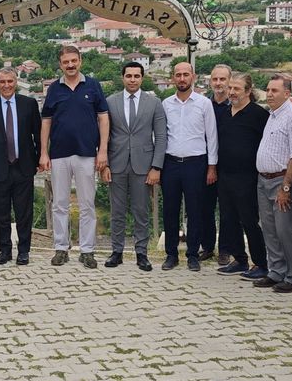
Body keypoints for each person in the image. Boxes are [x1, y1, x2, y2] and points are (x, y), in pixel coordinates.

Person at [40, 45, 110, 268]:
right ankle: (61, 248)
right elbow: (46, 121)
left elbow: (103, 118)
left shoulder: (93, 85)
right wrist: (43, 152)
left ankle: (87, 251)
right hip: (59, 154)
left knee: (87, 204)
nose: (70, 65)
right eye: (65, 62)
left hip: (87, 153)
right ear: (60, 65)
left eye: (73, 61)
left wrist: (103, 150)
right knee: (59, 204)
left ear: (80, 61)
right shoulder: (54, 89)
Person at [104, 61, 165, 271]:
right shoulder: (110, 101)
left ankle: (142, 253)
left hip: (144, 165)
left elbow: (161, 136)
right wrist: (104, 164)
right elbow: (103, 135)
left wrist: (156, 167)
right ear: (123, 78)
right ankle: (116, 252)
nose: (132, 80)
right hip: (116, 163)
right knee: (117, 211)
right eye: (128, 76)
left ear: (142, 78)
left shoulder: (154, 103)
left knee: (141, 211)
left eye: (136, 76)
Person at [160, 61, 218, 272]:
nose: (182, 78)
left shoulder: (204, 103)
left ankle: (193, 254)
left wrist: (212, 166)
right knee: (170, 211)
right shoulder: (166, 104)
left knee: (195, 211)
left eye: (186, 74)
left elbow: (212, 136)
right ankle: (171, 254)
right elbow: (160, 135)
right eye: (178, 75)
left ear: (193, 77)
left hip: (196, 164)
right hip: (171, 164)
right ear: (173, 78)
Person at [0, 68, 40, 266]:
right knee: (1, 213)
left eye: (10, 81)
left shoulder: (29, 104)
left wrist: (40, 158)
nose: (6, 85)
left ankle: (24, 251)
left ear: (16, 82)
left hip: (24, 167)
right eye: (2, 82)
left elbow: (38, 135)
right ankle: (4, 251)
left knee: (24, 213)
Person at [254, 75, 292, 294]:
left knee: (286, 230)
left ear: (287, 93)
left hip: (282, 180)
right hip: (263, 179)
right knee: (269, 228)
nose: (269, 94)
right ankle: (276, 271)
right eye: (267, 90)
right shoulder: (272, 115)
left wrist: (286, 187)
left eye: (274, 91)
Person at [214, 73, 268, 280]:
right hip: (225, 175)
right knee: (229, 219)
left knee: (249, 221)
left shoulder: (258, 114)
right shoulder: (225, 113)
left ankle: (261, 263)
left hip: (248, 177)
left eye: (237, 89)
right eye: (230, 88)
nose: (232, 92)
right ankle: (239, 259)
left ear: (248, 91)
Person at [203, 63, 232, 264]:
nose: (218, 83)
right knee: (205, 207)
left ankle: (225, 250)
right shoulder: (204, 104)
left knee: (227, 210)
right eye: (215, 79)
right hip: (207, 164)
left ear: (230, 81)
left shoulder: (236, 105)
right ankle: (207, 247)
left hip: (229, 165)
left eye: (222, 79)